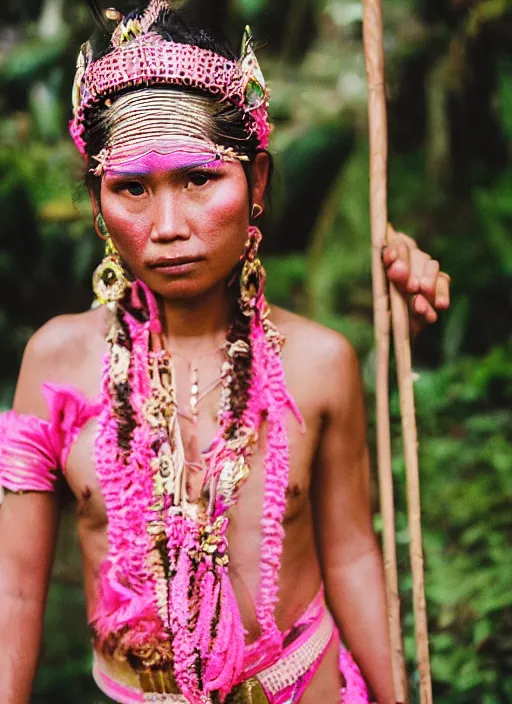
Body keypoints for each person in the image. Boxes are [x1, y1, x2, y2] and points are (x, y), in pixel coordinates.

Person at [0, 2, 451, 702]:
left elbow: (355, 555)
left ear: (258, 184)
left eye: (200, 178)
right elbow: (16, 589)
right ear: (97, 201)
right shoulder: (55, 364)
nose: (169, 226)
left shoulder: (321, 363)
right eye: (132, 189)